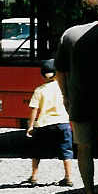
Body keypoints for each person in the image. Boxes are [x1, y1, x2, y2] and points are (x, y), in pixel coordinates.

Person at [55, 0, 98, 194]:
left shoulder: (69, 34)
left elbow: (60, 71)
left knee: (84, 148)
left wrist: (66, 96)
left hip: (80, 101)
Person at [24, 59, 73, 187]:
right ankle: (68, 177)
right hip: (63, 123)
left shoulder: (39, 90)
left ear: (42, 75)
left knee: (37, 151)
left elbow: (34, 109)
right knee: (66, 151)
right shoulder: (63, 88)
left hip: (44, 125)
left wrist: (30, 126)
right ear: (57, 74)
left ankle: (34, 177)